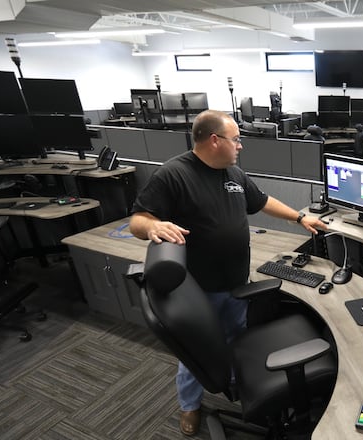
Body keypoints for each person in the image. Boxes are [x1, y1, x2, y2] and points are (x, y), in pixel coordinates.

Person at [129, 109, 327, 436]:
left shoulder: (233, 173)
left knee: (235, 340)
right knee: (198, 356)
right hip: (198, 290)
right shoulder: (173, 175)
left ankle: (240, 386)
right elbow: (138, 219)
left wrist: (298, 218)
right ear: (214, 140)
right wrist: (153, 225)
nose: (241, 146)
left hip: (236, 283)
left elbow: (261, 202)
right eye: (236, 139)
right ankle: (189, 406)